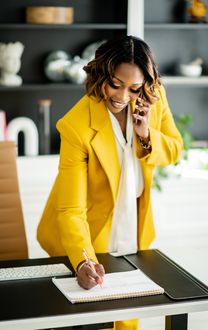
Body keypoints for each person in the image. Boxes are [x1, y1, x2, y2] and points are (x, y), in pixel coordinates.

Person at [37, 35, 183, 330]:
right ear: (101, 73)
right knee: (95, 324)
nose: (122, 96)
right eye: (115, 83)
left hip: (133, 234)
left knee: (127, 323)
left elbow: (175, 149)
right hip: (85, 239)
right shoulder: (76, 125)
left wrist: (145, 135)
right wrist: (82, 261)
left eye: (134, 88)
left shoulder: (153, 97)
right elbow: (71, 210)